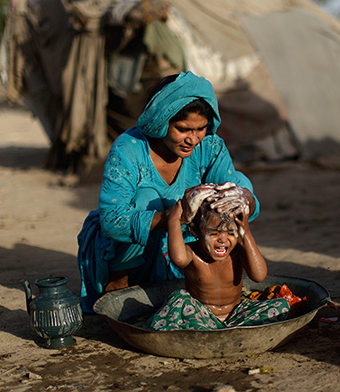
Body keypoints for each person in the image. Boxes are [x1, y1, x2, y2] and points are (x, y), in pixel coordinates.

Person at [77, 71, 259, 313]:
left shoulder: (210, 146)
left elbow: (240, 198)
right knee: (147, 199)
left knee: (238, 185)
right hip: (126, 251)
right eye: (183, 129)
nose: (193, 139)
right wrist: (174, 217)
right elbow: (111, 220)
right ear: (162, 122)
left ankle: (210, 282)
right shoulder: (129, 149)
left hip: (181, 248)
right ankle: (120, 278)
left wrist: (243, 199)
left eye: (201, 129)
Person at [148, 185, 290, 330]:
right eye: (214, 233)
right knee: (179, 299)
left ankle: (226, 331)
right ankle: (210, 332)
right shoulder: (192, 253)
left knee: (281, 305)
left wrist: (246, 233)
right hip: (200, 317)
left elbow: (259, 275)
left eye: (231, 232)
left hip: (236, 317)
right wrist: (174, 220)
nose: (223, 239)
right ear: (195, 231)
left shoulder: (238, 252)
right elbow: (178, 259)